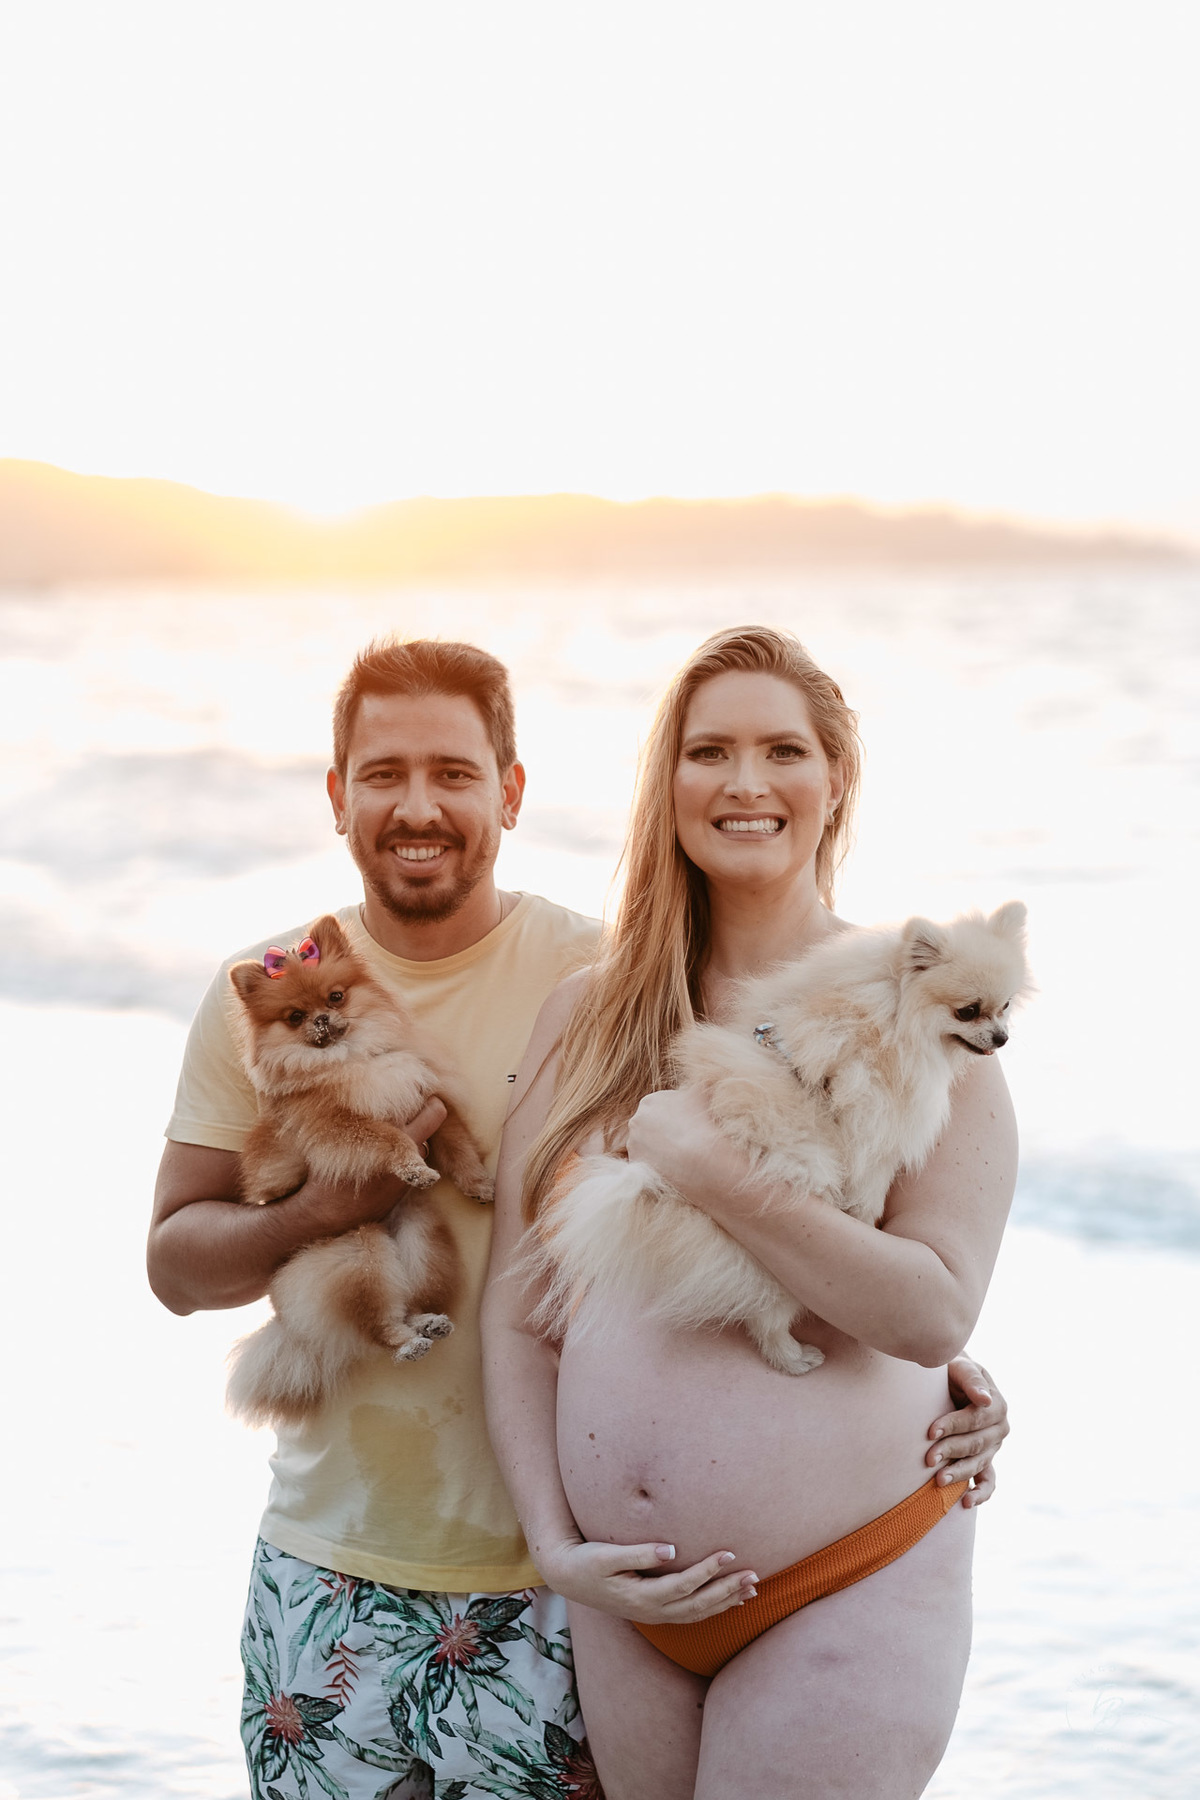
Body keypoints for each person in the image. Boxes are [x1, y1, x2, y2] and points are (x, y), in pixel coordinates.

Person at [149, 632, 1008, 1800]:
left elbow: (905, 1269)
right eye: (709, 751)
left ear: (510, 793)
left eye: (454, 773)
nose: (744, 783)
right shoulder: (317, 998)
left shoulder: (647, 980)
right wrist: (326, 1206)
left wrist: (957, 1378)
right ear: (336, 792)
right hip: (449, 1570)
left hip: (598, 1598)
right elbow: (504, 1301)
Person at [482, 625, 1018, 1800]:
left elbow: (933, 1311)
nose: (743, 782)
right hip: (629, 1605)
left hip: (845, 1576)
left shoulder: (929, 1008)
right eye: (708, 750)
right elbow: (519, 1319)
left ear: (836, 782)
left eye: (783, 750)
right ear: (666, 783)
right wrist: (560, 1551)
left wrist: (716, 1168)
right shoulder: (588, 1016)